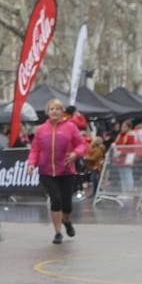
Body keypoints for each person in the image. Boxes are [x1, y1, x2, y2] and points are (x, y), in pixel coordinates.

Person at [26, 99, 87, 244]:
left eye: (58, 109)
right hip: (46, 172)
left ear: (62, 112)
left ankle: (67, 221)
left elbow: (82, 145)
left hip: (66, 171)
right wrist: (31, 164)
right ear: (47, 112)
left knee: (67, 205)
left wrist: (75, 154)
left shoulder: (71, 127)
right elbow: (35, 149)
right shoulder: (41, 130)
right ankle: (58, 232)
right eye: (52, 109)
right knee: (56, 200)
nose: (54, 111)